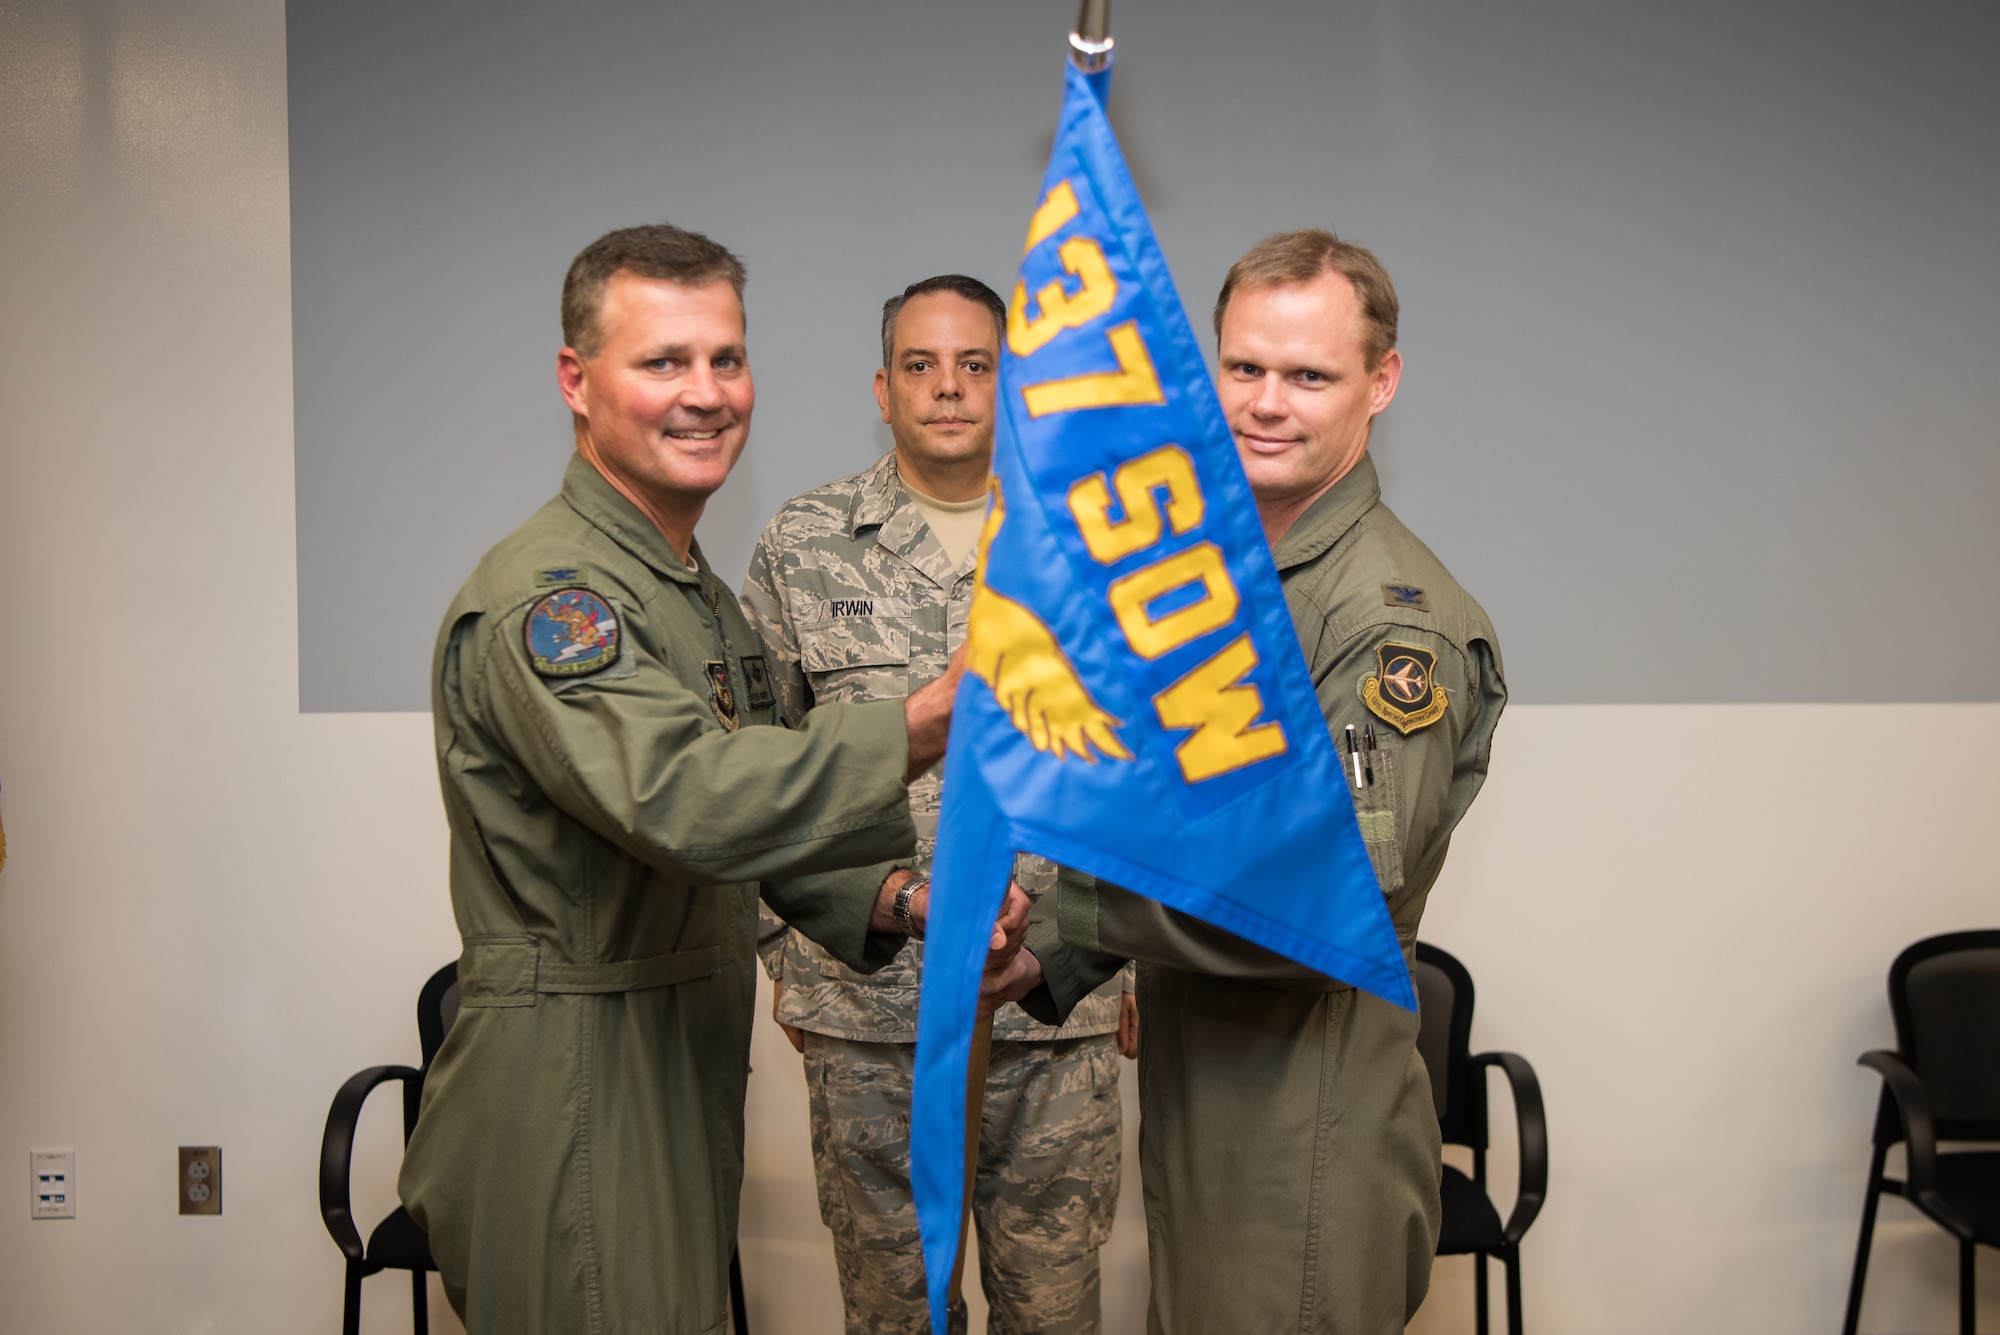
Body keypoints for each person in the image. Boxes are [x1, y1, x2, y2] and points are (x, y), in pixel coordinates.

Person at [398, 225, 1027, 1335]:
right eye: (662, 362)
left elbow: (769, 821)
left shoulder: (690, 597)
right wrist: (928, 723)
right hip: (576, 1087)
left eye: (724, 360)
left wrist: (910, 903)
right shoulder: (559, 603)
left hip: (673, 1062)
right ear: (575, 382)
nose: (704, 394)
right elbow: (686, 801)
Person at [996, 230, 1508, 1332]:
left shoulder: (1378, 622)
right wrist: (1045, 949)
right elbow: (1194, 827)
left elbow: (1319, 892)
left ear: (1380, 384)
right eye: (1243, 369)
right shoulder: (1230, 589)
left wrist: (1080, 904)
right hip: (1209, 1103)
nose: (1265, 404)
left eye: (1308, 375)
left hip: (1304, 1132)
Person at [740, 274, 1134, 1335]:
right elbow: (750, 778)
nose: (948, 388)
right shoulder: (802, 543)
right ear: (882, 386)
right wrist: (785, 959)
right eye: (920, 365)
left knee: (1052, 1316)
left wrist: (1124, 961)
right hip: (873, 1017)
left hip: (1055, 1009)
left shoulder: (1095, 547)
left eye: (975, 364)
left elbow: (1147, 778)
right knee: (894, 1317)